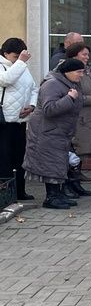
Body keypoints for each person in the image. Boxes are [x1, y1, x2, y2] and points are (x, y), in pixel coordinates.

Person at [23, 58, 86, 210]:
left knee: (59, 163)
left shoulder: (70, 84)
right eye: (78, 72)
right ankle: (51, 197)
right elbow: (49, 109)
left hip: (59, 132)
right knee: (51, 163)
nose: (81, 75)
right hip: (46, 132)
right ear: (68, 72)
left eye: (82, 72)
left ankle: (58, 194)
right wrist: (69, 98)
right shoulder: (52, 84)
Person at [0, 38, 39, 201]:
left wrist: (32, 105)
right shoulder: (6, 66)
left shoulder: (22, 67)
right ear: (5, 53)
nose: (18, 59)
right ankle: (6, 194)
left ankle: (20, 191)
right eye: (15, 56)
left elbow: (33, 88)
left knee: (19, 157)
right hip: (3, 121)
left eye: (20, 56)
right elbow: (5, 80)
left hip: (20, 120)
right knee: (4, 158)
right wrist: (21, 62)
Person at [63, 42, 91, 197]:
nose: (87, 57)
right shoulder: (69, 73)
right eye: (84, 54)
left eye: (88, 54)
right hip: (78, 117)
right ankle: (70, 184)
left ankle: (76, 183)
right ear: (74, 55)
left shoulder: (85, 72)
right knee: (75, 150)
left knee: (81, 152)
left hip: (88, 117)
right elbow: (74, 95)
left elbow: (87, 89)